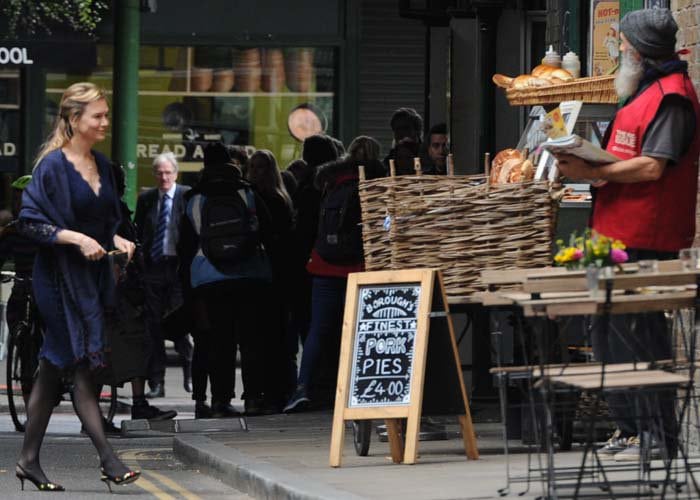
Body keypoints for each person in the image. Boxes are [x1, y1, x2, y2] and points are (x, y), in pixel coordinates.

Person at [554, 8, 700, 462]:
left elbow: (653, 166)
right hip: (609, 234)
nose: (618, 50)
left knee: (639, 335)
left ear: (637, 50)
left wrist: (590, 170)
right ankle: (629, 428)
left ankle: (656, 434)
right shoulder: (643, 91)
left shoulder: (673, 97)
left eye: (621, 44)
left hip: (644, 235)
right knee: (605, 335)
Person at [16, 82, 139, 491]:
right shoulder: (52, 166)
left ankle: (29, 460)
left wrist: (117, 238)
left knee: (54, 367)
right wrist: (77, 238)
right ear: (73, 120)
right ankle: (109, 460)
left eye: (106, 115)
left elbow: (110, 219)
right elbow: (31, 221)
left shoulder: (102, 165)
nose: (105, 122)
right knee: (81, 366)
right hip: (56, 279)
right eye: (98, 116)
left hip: (91, 279)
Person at [285, 136, 385, 412]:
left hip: (324, 265)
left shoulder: (328, 181)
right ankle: (361, 388)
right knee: (362, 331)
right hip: (361, 268)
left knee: (318, 330)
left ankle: (303, 387)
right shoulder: (377, 181)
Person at [179, 142, 276, 416]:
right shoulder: (248, 193)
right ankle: (254, 397)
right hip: (250, 275)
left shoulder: (194, 198)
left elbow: (185, 246)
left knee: (220, 342)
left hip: (209, 279)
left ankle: (221, 400)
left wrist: (188, 286)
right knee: (251, 340)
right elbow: (269, 233)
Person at [134, 152, 193, 398]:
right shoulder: (147, 198)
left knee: (181, 326)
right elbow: (139, 231)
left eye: (168, 173)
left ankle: (190, 374)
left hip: (178, 270)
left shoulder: (186, 195)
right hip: (154, 269)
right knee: (153, 328)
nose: (164, 177)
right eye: (159, 173)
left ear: (176, 174)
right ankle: (156, 383)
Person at [246, 150, 296, 403]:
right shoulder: (277, 197)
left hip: (269, 276)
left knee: (269, 336)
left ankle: (273, 389)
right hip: (270, 275)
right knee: (271, 336)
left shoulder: (264, 199)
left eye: (260, 167)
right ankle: (277, 388)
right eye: (252, 166)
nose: (255, 172)